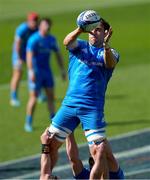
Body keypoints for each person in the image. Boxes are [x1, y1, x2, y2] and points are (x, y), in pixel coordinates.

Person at [40, 15, 124, 179]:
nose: (93, 32)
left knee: (98, 151)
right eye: (91, 29)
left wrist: (106, 46)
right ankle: (45, 175)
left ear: (106, 33)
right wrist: (80, 28)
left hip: (91, 108)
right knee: (49, 143)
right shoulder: (80, 46)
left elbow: (110, 63)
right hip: (69, 104)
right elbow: (66, 42)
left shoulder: (109, 53)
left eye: (98, 29)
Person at [25, 18, 66, 132]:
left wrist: (62, 70)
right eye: (45, 25)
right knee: (33, 97)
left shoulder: (52, 40)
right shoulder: (34, 39)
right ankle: (29, 121)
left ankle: (53, 121)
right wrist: (31, 71)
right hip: (36, 72)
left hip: (47, 72)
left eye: (48, 25)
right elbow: (29, 56)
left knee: (50, 97)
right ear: (40, 26)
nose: (47, 27)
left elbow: (58, 55)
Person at [10, 12, 39, 106]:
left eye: (35, 20)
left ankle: (38, 93)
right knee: (18, 73)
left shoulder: (37, 28)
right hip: (18, 52)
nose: (34, 22)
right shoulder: (22, 29)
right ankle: (13, 96)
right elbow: (17, 44)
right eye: (32, 21)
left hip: (29, 52)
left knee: (35, 71)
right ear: (28, 21)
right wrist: (18, 58)